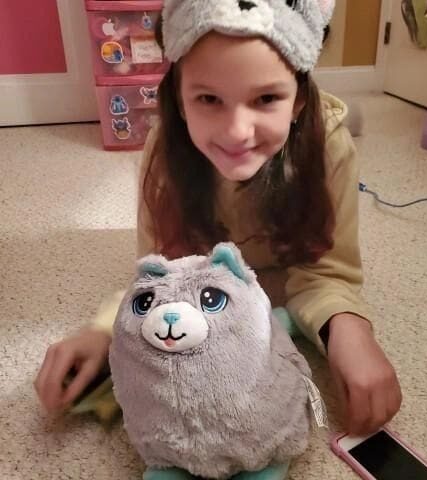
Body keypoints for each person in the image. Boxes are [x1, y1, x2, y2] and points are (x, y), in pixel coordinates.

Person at [35, 0, 401, 440]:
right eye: (209, 98)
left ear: (300, 99)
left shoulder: (330, 149)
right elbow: (163, 271)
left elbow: (326, 271)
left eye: (266, 98)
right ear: (180, 101)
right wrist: (104, 331)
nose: (236, 132)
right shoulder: (165, 150)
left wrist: (349, 328)